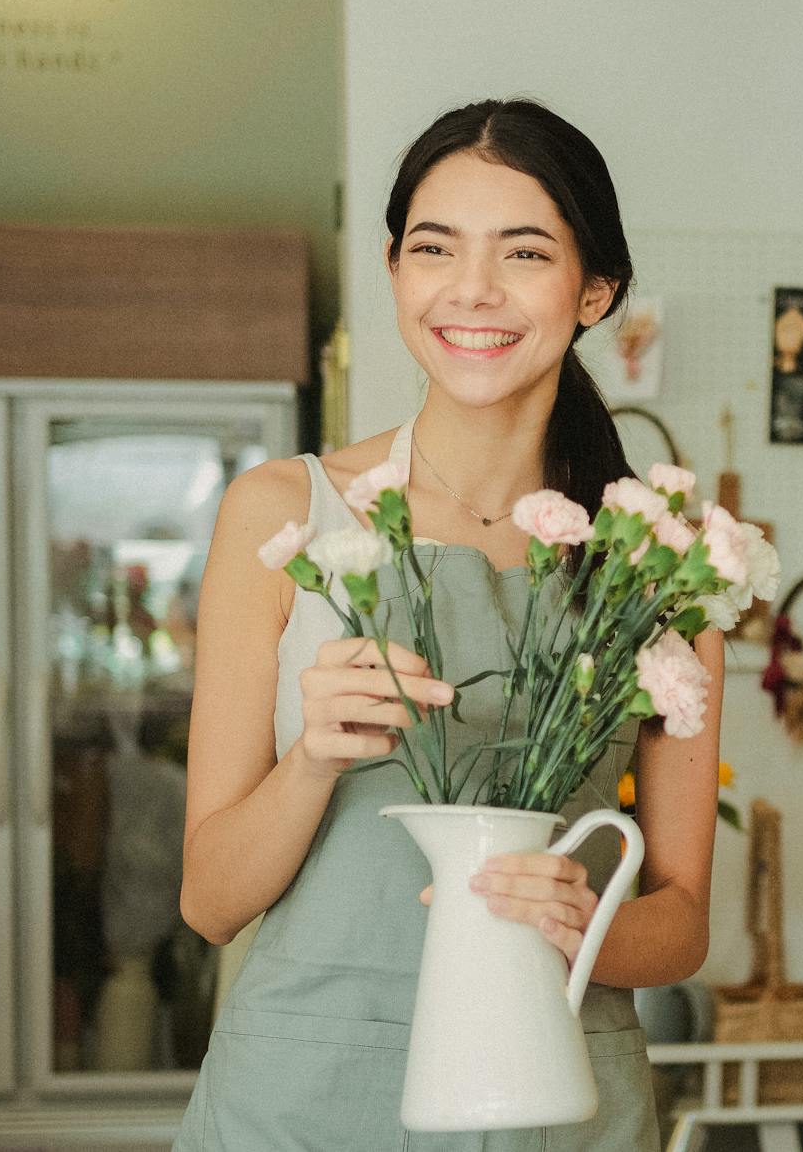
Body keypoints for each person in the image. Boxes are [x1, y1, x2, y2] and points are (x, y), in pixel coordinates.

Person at [175, 98, 725, 1150]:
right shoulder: (285, 514)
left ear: (595, 291)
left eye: (524, 251)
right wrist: (312, 763)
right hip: (305, 1095)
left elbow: (684, 918)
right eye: (435, 248)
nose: (472, 289)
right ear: (395, 272)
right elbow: (209, 899)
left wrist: (584, 923)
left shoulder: (659, 566)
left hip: (556, 1098)